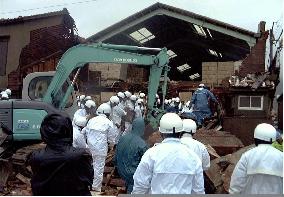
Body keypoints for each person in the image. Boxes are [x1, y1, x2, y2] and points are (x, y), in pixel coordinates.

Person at [132, 113, 205, 194]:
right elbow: (198, 191)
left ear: (161, 133)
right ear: (180, 132)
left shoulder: (151, 154)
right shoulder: (193, 157)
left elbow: (140, 186)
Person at [28, 113, 93, 196]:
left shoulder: (36, 157)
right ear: (68, 130)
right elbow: (88, 179)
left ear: (44, 132)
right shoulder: (80, 155)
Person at [229, 123, 283, 194]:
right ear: (273, 139)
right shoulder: (281, 156)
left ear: (255, 138)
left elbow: (236, 184)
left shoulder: (247, 156)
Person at [82, 103, 117, 194]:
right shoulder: (109, 123)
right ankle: (96, 187)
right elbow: (112, 138)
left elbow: (86, 132)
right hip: (100, 150)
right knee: (99, 168)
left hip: (89, 148)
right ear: (108, 113)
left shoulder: (92, 120)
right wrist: (111, 146)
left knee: (90, 166)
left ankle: (88, 183)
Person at [114, 118, 148, 193]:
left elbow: (115, 159)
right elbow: (147, 163)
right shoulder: (142, 144)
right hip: (133, 174)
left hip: (121, 171)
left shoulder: (122, 138)